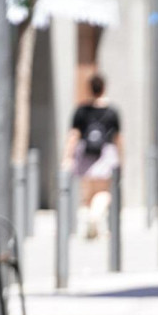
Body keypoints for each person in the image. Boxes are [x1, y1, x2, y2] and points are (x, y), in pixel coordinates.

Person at [62, 74, 123, 239]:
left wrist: (67, 157)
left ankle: (92, 222)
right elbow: (118, 138)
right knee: (104, 191)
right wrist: (120, 158)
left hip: (85, 154)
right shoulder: (112, 112)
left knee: (88, 194)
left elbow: (73, 135)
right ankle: (95, 218)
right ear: (104, 88)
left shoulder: (81, 111)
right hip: (106, 153)